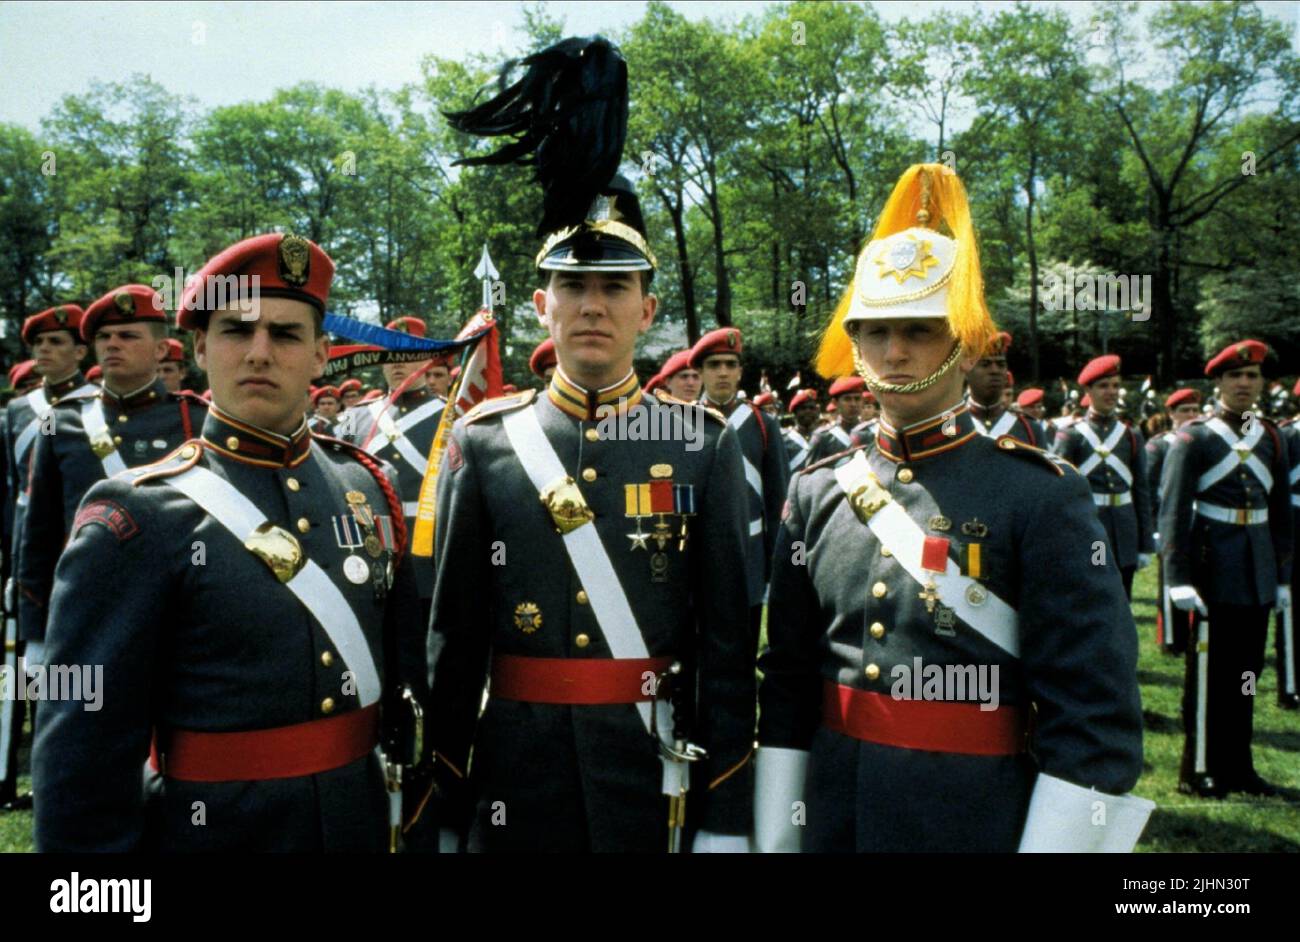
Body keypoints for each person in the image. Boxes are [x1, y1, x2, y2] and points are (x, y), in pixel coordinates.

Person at [755, 163, 1149, 853]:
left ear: (964, 344)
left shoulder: (1041, 494)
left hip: (972, 820)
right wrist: (778, 834)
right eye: (874, 330)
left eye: (920, 330)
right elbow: (788, 686)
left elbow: (1092, 716)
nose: (895, 349)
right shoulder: (818, 490)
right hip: (833, 816)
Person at [426, 35, 754, 854]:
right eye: (574, 286)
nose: (593, 305)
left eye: (616, 287)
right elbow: (453, 645)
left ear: (649, 312)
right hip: (514, 770)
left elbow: (726, 646)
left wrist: (722, 814)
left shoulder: (702, 445)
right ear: (542, 306)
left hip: (650, 769)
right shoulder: (487, 442)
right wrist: (443, 798)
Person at [32, 232, 426, 851]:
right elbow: (81, 754)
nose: (260, 353)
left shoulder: (366, 485)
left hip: (357, 822)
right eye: (238, 331)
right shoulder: (137, 514)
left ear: (322, 354)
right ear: (199, 347)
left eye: (287, 334)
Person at [17, 285, 207, 667]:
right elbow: (40, 533)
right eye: (103, 337)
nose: (112, 344)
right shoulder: (62, 422)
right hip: (84, 608)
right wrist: (35, 632)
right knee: (80, 719)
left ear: (159, 350)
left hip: (178, 609)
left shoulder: (195, 418)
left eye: (127, 335)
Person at [1161, 340, 1294, 797]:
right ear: (1217, 382)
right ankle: (1198, 768)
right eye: (1235, 376)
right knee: (1210, 677)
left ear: (1262, 383)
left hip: (1256, 571)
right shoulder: (1194, 437)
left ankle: (1239, 766)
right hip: (1211, 569)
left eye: (1252, 376)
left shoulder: (1272, 436)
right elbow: (1174, 511)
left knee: (1246, 675)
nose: (1244, 384)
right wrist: (1176, 579)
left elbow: (1280, 515)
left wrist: (1282, 577)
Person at [0, 305, 95, 811]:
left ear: (81, 352)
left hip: (78, 547)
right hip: (28, 551)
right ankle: (26, 769)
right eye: (39, 343)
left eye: (57, 343)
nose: (44, 351)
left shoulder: (96, 407)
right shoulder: (18, 411)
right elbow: (13, 491)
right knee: (29, 671)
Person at [336, 316, 446, 624]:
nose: (396, 362)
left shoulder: (452, 416)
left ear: (426, 357)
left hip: (429, 555)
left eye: (406, 353)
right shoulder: (353, 419)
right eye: (389, 353)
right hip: (369, 553)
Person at [691, 326, 788, 646]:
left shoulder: (763, 423)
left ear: (740, 372)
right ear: (700, 371)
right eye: (714, 365)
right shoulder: (681, 421)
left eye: (730, 365)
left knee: (742, 645)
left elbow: (778, 499)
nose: (723, 372)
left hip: (750, 548)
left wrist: (776, 560)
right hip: (696, 551)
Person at [1052, 354, 1154, 598]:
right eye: (1103, 386)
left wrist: (1145, 545)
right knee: (1093, 601)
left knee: (1122, 601)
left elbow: (1141, 489)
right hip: (1088, 530)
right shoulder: (1072, 435)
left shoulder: (1131, 435)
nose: (1111, 392)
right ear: (1088, 390)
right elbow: (1058, 492)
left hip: (1125, 532)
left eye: (1116, 386)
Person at [1147, 388, 1201, 655]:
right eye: (1184, 411)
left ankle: (1193, 632)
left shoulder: (1200, 440)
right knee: (1169, 579)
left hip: (1196, 519)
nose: (1190, 415)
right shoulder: (1159, 445)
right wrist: (1154, 528)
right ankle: (1171, 638)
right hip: (1167, 520)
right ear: (1171, 414)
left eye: (1194, 410)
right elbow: (1149, 489)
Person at [967, 333, 1046, 446]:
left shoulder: (1030, 430)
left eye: (1000, 364)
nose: (995, 370)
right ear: (967, 370)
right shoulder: (951, 424)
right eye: (985, 364)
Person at [806, 376, 866, 464]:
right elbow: (810, 473)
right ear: (835, 403)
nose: (853, 404)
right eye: (847, 399)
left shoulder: (872, 433)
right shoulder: (823, 436)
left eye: (857, 399)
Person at [783, 388, 820, 474]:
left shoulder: (824, 437)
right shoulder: (784, 439)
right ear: (795, 412)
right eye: (803, 408)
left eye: (811, 408)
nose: (808, 411)